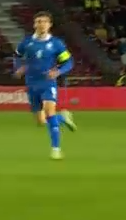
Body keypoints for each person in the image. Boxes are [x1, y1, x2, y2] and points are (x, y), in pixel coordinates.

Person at [14, 12, 78, 159]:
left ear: (49, 25)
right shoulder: (27, 42)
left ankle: (56, 149)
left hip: (48, 83)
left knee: (49, 113)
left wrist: (58, 71)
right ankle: (63, 118)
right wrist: (18, 67)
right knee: (41, 121)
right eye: (38, 21)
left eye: (44, 22)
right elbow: (17, 56)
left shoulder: (56, 44)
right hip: (31, 83)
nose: (41, 24)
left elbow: (68, 62)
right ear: (34, 24)